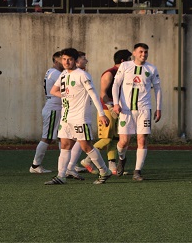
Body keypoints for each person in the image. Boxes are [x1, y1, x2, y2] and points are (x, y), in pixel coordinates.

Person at [45, 48, 112, 185]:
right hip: (66, 117)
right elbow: (53, 91)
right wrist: (66, 96)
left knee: (86, 146)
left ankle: (104, 171)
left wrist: (102, 113)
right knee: (65, 144)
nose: (66, 62)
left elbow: (93, 95)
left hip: (80, 117)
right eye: (64, 59)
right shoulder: (63, 74)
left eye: (69, 59)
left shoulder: (83, 75)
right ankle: (61, 176)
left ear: (75, 60)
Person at [111, 43, 162, 181]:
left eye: (145, 52)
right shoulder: (125, 66)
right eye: (140, 52)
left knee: (142, 140)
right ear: (134, 53)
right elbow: (115, 85)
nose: (143, 54)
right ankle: (121, 158)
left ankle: (137, 171)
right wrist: (116, 103)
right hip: (126, 110)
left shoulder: (151, 68)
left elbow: (157, 89)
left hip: (144, 109)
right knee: (123, 142)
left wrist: (158, 108)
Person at [79, 49, 132, 175]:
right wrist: (110, 107)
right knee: (106, 138)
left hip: (118, 108)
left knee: (115, 138)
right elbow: (102, 93)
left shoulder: (126, 73)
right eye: (130, 59)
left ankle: (113, 167)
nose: (132, 62)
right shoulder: (109, 73)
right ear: (123, 61)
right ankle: (87, 160)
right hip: (107, 109)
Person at [30, 51, 64, 174]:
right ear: (56, 61)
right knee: (47, 138)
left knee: (63, 137)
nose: (65, 62)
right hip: (53, 107)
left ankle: (67, 165)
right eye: (62, 59)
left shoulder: (53, 72)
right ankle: (35, 165)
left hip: (56, 107)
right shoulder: (56, 74)